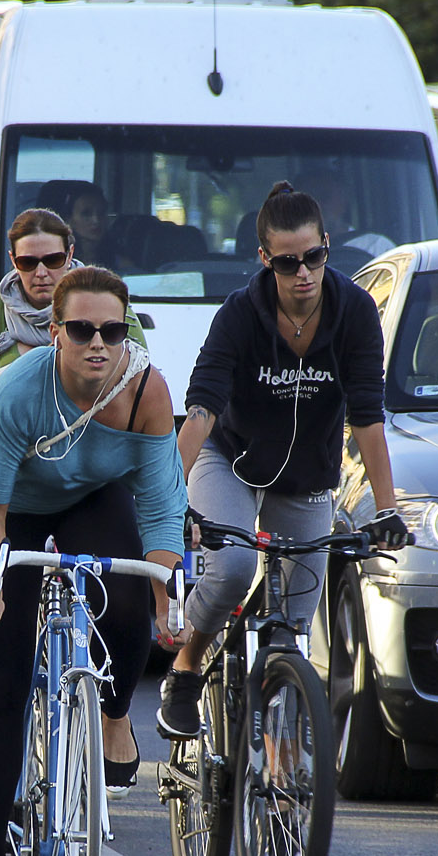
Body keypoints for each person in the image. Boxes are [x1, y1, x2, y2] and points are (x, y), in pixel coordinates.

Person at [0, 266, 185, 856]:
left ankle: (115, 717)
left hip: (94, 495)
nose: (97, 342)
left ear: (126, 333)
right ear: (54, 332)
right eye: (81, 329)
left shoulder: (145, 388)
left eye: (111, 330)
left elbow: (162, 509)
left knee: (126, 603)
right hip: (15, 508)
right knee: (0, 681)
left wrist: (168, 598)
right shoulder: (20, 393)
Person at [157, 182, 409, 738]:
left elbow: (367, 416)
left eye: (314, 257)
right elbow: (200, 410)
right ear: (264, 259)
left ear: (326, 245)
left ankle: (278, 764)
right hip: (232, 461)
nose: (304, 273)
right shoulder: (242, 314)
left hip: (307, 478)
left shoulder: (356, 312)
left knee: (293, 624)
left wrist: (386, 509)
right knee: (232, 569)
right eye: (288, 262)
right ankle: (187, 667)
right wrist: (171, 503)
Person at [0, 208, 145, 439]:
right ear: (13, 260)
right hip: (15, 446)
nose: (41, 273)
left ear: (69, 255)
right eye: (28, 262)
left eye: (53, 260)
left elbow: (140, 382)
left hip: (97, 440)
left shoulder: (107, 300)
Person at [36, 180, 110, 265]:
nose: (96, 220)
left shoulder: (119, 261)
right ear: (68, 219)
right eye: (86, 214)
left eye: (101, 213)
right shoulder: (55, 262)